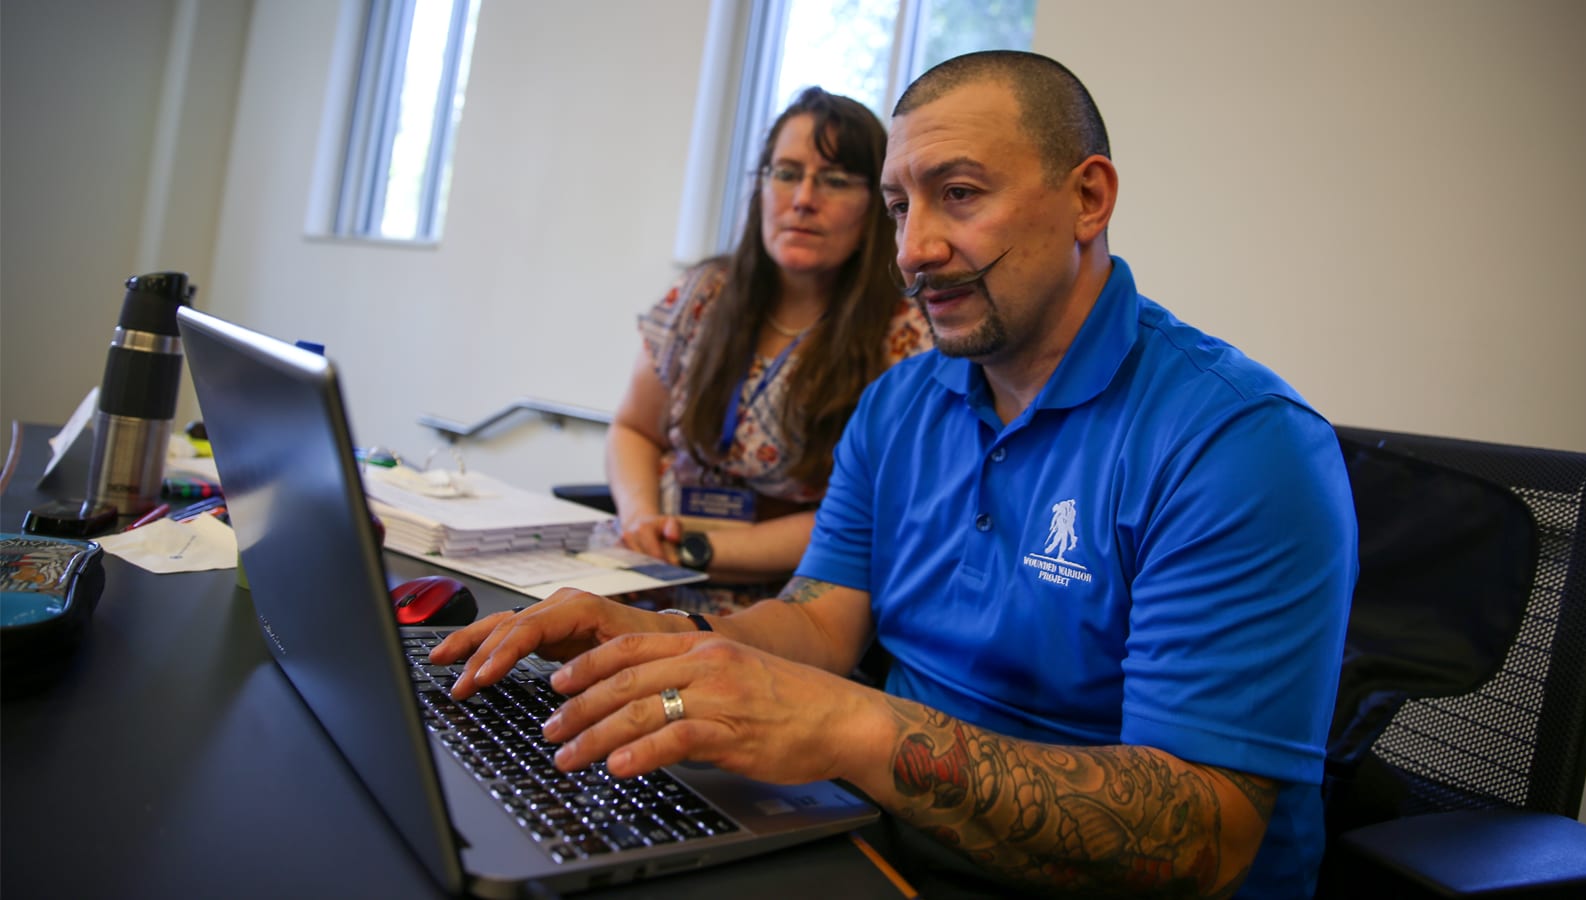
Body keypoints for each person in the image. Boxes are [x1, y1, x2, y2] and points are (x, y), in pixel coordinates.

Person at [436, 51, 1357, 898]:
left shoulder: (1237, 443)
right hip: (878, 837)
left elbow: (1208, 835)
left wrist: (851, 726)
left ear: (1089, 198)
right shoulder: (902, 404)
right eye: (898, 207)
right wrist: (662, 638)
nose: (913, 248)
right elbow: (821, 621)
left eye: (958, 195)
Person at [605, 86, 931, 615]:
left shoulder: (908, 336)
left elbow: (870, 516)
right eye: (785, 173)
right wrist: (641, 519)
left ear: (877, 204)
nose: (803, 198)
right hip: (649, 575)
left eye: (834, 180)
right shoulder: (705, 294)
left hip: (792, 610)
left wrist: (692, 549)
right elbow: (633, 429)